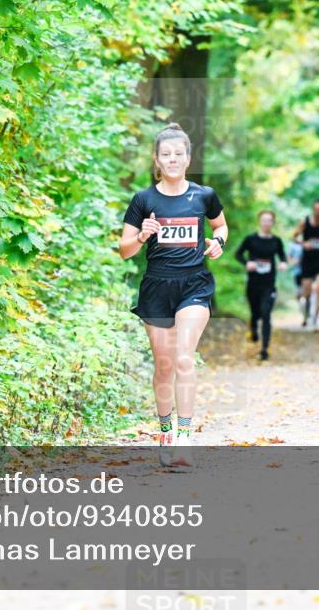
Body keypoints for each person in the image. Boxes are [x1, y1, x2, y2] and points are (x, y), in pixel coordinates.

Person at [120, 122, 227, 468]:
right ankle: (165, 431)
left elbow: (221, 225)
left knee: (184, 358)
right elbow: (123, 250)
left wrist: (218, 243)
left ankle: (185, 436)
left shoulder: (204, 195)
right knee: (164, 365)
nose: (172, 159)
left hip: (194, 285)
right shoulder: (143, 200)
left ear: (188, 158)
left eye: (178, 154)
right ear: (156, 160)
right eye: (166, 155)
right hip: (157, 287)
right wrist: (141, 236)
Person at [235, 210, 287, 361]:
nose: (266, 223)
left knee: (266, 314)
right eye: (264, 220)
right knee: (255, 313)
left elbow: (282, 255)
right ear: (260, 222)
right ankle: (254, 330)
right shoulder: (251, 239)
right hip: (253, 284)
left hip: (269, 285)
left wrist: (283, 263)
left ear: (272, 223)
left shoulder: (276, 241)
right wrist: (247, 263)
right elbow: (238, 254)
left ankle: (264, 349)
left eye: (269, 220)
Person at [292, 200, 319, 330]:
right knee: (307, 291)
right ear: (313, 209)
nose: (318, 212)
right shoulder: (304, 222)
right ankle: (307, 315)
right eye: (316, 209)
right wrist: (304, 244)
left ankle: (315, 316)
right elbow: (294, 237)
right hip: (307, 260)